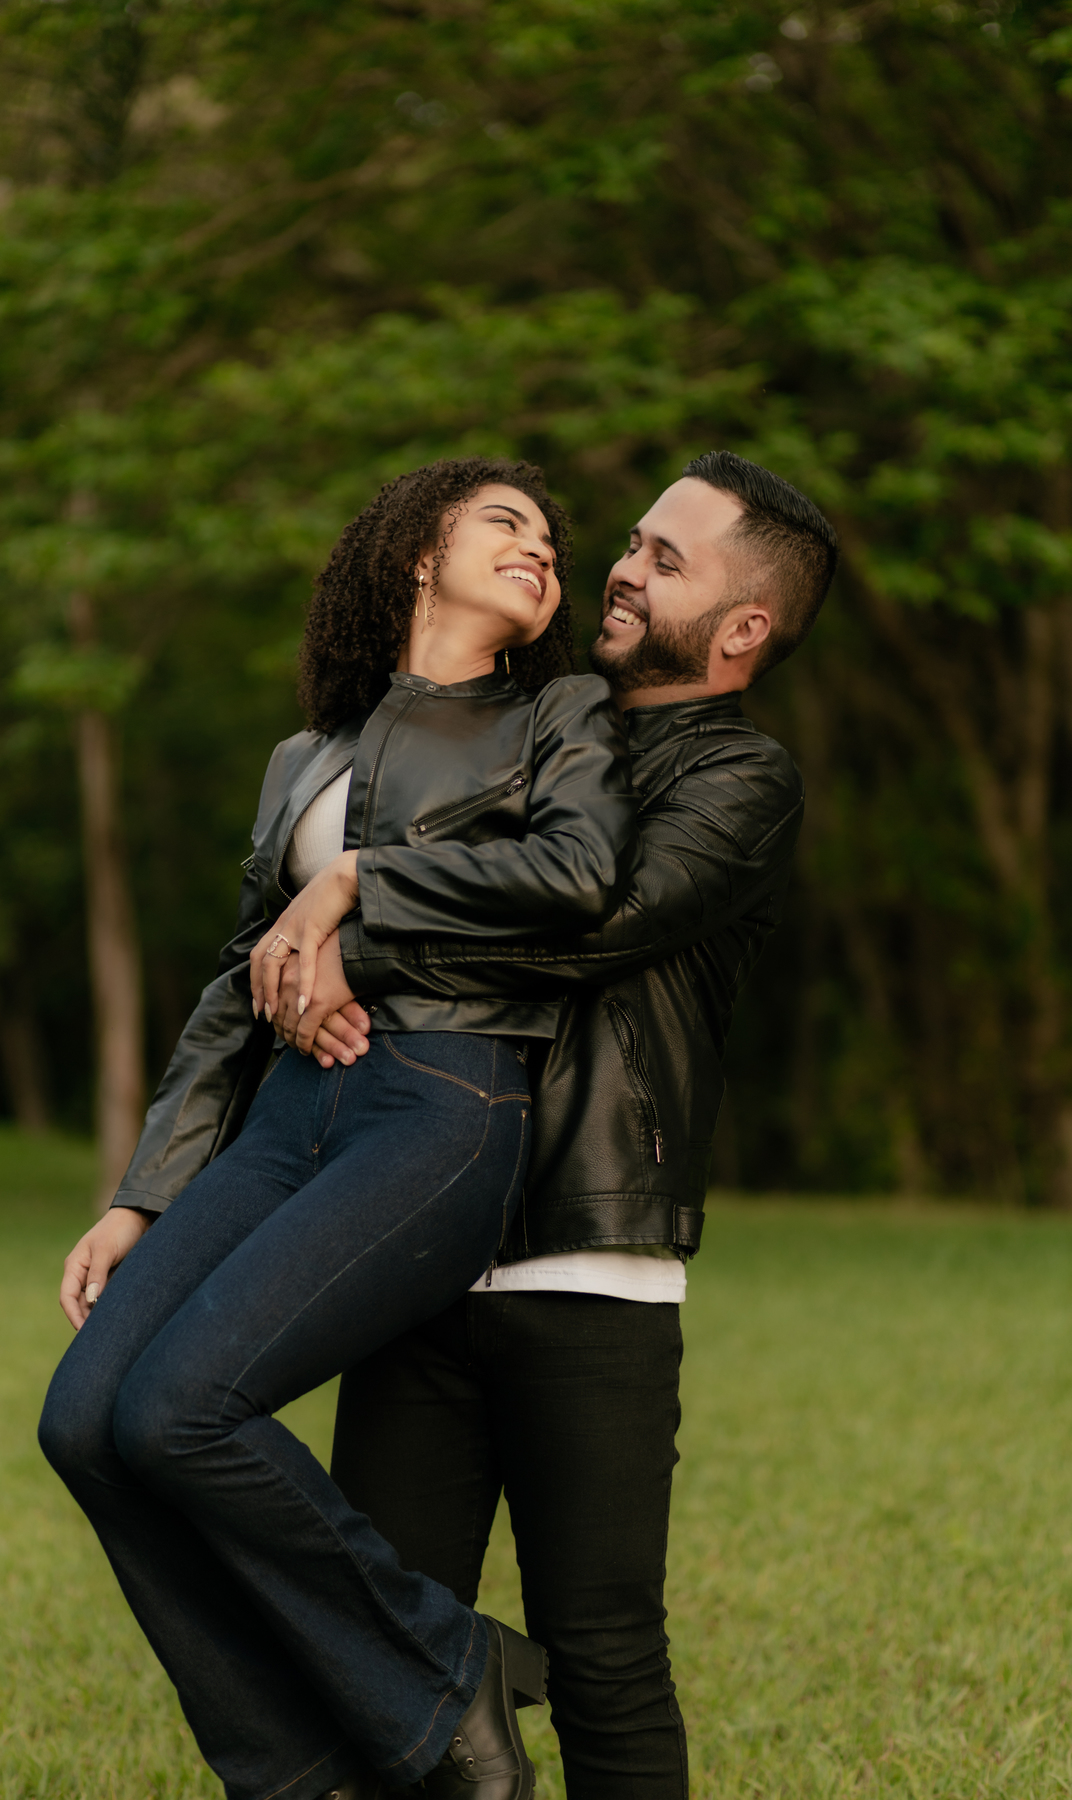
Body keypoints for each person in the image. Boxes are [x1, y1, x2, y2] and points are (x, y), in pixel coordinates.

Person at [38, 455, 639, 1800]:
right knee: (85, 1419)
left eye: (553, 543)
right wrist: (141, 1196)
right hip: (284, 1120)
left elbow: (580, 872)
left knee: (183, 1411)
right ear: (420, 551)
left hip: (444, 1098)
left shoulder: (557, 715)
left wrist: (360, 884)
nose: (544, 552)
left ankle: (439, 1669)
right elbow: (236, 986)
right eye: (508, 524)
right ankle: (300, 1767)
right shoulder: (301, 759)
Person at [271, 451, 839, 1800]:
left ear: (745, 628)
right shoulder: (518, 728)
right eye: (631, 543)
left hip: (588, 1263)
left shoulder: (741, 780)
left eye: (665, 559)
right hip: (412, 1235)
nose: (622, 572)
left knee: (605, 1658)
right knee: (385, 1663)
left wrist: (359, 910)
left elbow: (599, 924)